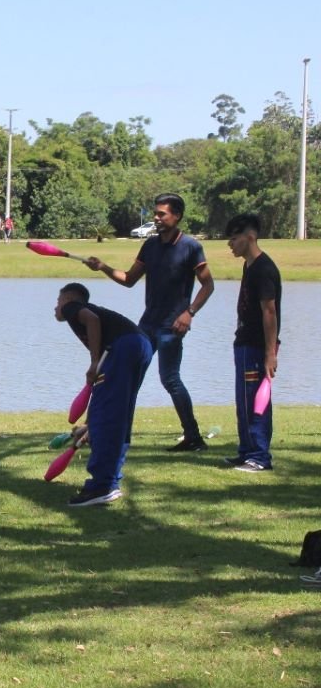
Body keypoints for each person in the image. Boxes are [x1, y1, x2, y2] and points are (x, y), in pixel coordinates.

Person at [84, 193, 215, 452]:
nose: (156, 218)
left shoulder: (190, 247)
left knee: (170, 379)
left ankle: (193, 437)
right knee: (129, 380)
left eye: (161, 214)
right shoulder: (150, 245)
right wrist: (104, 267)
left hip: (171, 327)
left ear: (176, 216)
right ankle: (121, 437)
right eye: (156, 213)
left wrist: (189, 313)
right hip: (146, 326)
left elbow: (208, 285)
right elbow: (129, 279)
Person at [53, 283, 153, 506]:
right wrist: (89, 423)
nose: (56, 307)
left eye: (58, 301)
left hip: (124, 347)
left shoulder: (71, 308)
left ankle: (102, 486)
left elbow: (92, 320)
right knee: (117, 415)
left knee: (107, 416)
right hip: (140, 345)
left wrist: (94, 362)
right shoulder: (92, 317)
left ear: (68, 298)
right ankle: (110, 481)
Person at [224, 213, 282, 473]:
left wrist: (270, 353)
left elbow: (269, 312)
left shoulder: (264, 269)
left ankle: (260, 456)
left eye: (234, 238)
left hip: (258, 346)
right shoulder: (249, 266)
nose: (230, 244)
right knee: (244, 400)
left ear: (249, 237)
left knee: (255, 401)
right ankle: (246, 451)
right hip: (244, 343)